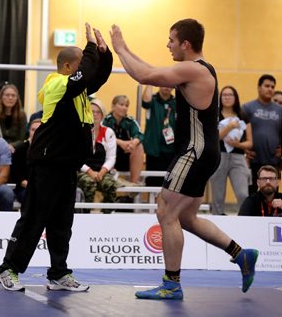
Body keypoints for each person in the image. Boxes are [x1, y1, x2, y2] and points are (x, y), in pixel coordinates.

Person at [110, 18, 258, 300]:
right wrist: (125, 48)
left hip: (195, 151)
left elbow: (144, 76)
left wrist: (120, 49)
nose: (168, 45)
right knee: (186, 217)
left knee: (166, 210)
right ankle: (242, 255)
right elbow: (150, 71)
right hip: (202, 150)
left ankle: (172, 283)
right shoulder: (200, 67)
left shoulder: (192, 68)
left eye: (171, 40)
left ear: (186, 44)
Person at [0, 23, 112, 292]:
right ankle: (7, 269)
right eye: (81, 64)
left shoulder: (78, 88)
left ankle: (59, 273)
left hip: (66, 164)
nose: (85, 70)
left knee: (62, 223)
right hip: (47, 162)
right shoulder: (58, 83)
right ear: (70, 67)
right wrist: (91, 46)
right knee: (34, 218)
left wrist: (104, 54)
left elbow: (97, 77)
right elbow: (84, 76)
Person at [209, 86, 252, 215]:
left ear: (236, 98)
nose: (227, 97)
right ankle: (218, 220)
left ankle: (244, 218)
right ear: (220, 98)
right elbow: (213, 138)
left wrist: (238, 144)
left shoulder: (242, 115)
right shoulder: (214, 115)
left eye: (230, 95)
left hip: (238, 158)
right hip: (219, 156)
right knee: (218, 195)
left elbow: (250, 143)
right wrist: (229, 127)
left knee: (242, 193)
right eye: (224, 95)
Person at [77, 99, 120, 214]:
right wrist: (90, 171)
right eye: (92, 111)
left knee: (110, 185)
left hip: (102, 171)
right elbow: (76, 157)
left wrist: (101, 173)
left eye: (98, 112)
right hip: (82, 170)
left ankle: (107, 216)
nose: (95, 114)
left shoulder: (108, 132)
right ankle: (85, 215)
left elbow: (111, 158)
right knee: (88, 184)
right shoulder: (80, 131)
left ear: (102, 115)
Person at [243, 74, 282, 194]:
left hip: (273, 160)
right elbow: (239, 132)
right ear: (259, 88)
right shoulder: (247, 108)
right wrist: (244, 150)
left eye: (272, 86)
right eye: (267, 86)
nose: (270, 89)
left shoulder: (280, 110)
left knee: (272, 194)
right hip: (253, 160)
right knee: (252, 193)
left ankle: (273, 213)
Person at [102, 95, 144, 184]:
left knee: (139, 146)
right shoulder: (106, 121)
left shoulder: (130, 121)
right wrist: (121, 143)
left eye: (126, 105)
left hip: (125, 156)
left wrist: (133, 144)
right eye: (121, 104)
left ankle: (134, 184)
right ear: (113, 106)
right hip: (109, 157)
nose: (124, 108)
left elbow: (140, 135)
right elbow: (102, 135)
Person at [141, 86, 176, 186]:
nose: (167, 87)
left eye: (169, 84)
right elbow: (145, 101)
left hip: (171, 150)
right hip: (154, 150)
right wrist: (151, 81)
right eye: (164, 83)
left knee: (169, 185)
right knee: (153, 184)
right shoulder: (153, 100)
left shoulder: (176, 103)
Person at [9, 118, 41, 204]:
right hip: (24, 188)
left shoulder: (50, 150)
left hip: (44, 187)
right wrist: (31, 186)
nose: (35, 132)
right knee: (31, 195)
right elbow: (17, 175)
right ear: (29, 131)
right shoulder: (20, 149)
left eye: (39, 129)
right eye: (33, 129)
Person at [0, 83, 27, 153]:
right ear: (1, 97)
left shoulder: (22, 115)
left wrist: (12, 146)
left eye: (13, 95)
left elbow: (22, 138)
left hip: (15, 151)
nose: (10, 98)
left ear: (17, 98)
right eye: (7, 95)